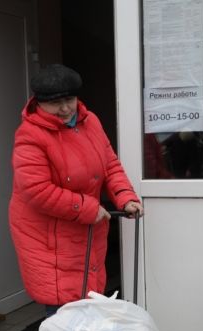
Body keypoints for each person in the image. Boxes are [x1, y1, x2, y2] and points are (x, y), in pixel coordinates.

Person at [8, 64, 143, 317]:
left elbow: (110, 165)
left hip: (86, 230)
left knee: (88, 304)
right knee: (65, 311)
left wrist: (125, 197)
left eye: (69, 100)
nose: (65, 108)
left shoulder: (90, 122)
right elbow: (37, 190)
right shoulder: (30, 135)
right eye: (55, 103)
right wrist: (88, 208)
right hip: (50, 237)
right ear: (39, 102)